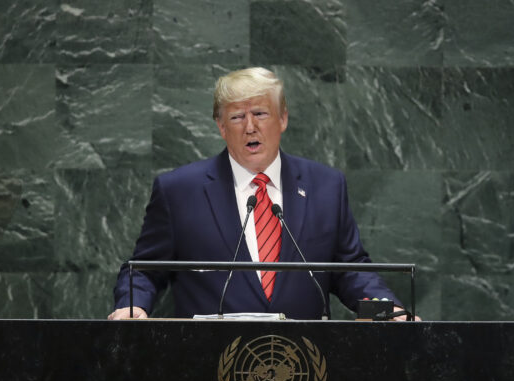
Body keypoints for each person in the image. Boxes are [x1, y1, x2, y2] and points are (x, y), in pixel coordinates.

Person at [108, 67, 412, 321]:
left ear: (283, 119)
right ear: (221, 126)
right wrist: (132, 304)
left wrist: (387, 309)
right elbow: (145, 270)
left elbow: (350, 269)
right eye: (237, 117)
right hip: (207, 366)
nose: (250, 127)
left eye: (260, 113)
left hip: (305, 368)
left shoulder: (326, 186)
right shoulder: (179, 191)